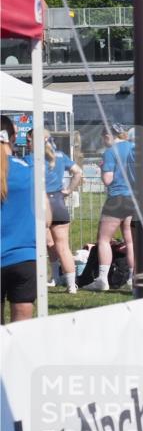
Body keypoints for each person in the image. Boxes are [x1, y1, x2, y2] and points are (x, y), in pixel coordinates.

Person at [1, 120, 49, 322]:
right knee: (23, 336)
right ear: (13, 139)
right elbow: (46, 218)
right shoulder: (30, 170)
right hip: (25, 258)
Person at [28, 128, 83, 293]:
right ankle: (70, 285)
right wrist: (68, 190)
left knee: (39, 245)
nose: (27, 143)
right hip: (59, 203)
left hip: (42, 204)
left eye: (29, 140)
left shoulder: (32, 159)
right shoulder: (60, 155)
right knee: (62, 246)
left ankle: (40, 280)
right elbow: (78, 172)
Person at [83, 124, 135, 291]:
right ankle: (133, 278)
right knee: (130, 240)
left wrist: (101, 170)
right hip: (134, 198)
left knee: (104, 239)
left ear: (108, 136)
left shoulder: (111, 152)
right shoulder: (134, 148)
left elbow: (107, 180)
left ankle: (102, 279)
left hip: (116, 198)